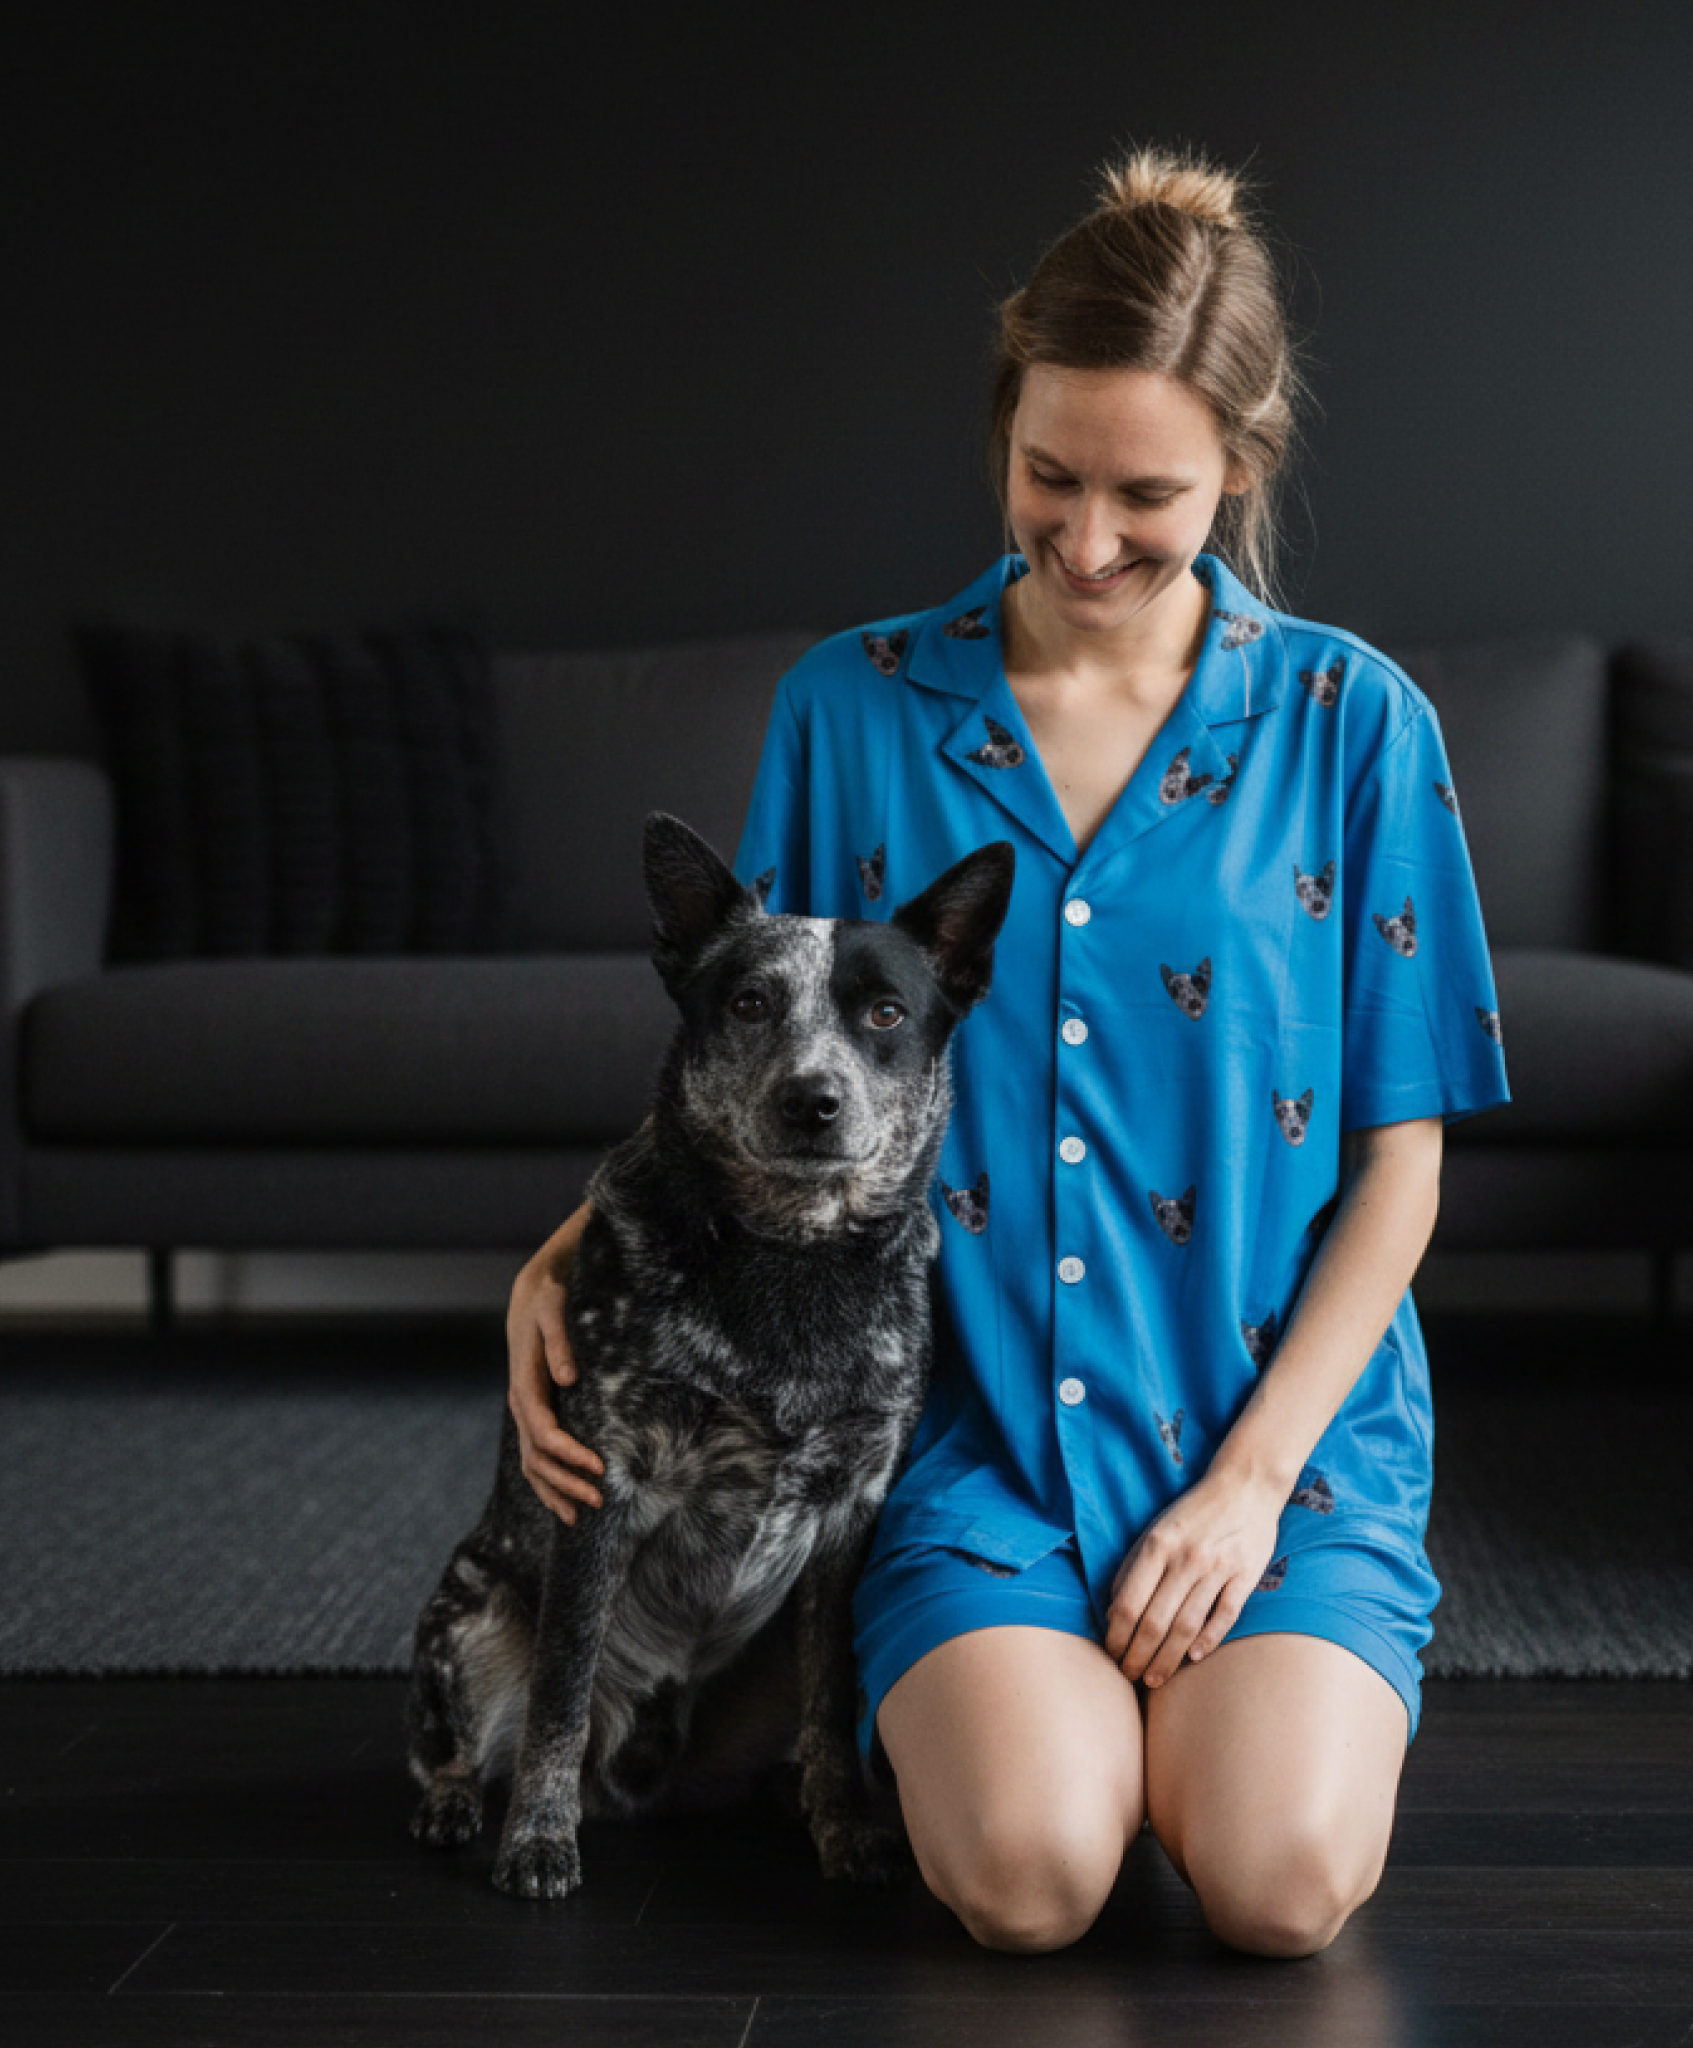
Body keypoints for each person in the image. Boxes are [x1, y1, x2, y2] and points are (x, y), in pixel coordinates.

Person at [506, 145, 1510, 1959]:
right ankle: (1004, 1715)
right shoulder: (852, 704)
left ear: (1244, 472)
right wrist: (571, 1245)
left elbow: (1401, 1160)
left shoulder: (1361, 727)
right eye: (1050, 477)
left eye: (1151, 496)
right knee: (1033, 1880)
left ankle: (1197, 1715)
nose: (1089, 538)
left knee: (1279, 1890)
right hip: (964, 1445)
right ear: (1003, 425)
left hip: (1281, 1450)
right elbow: (758, 1055)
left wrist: (1245, 1490)